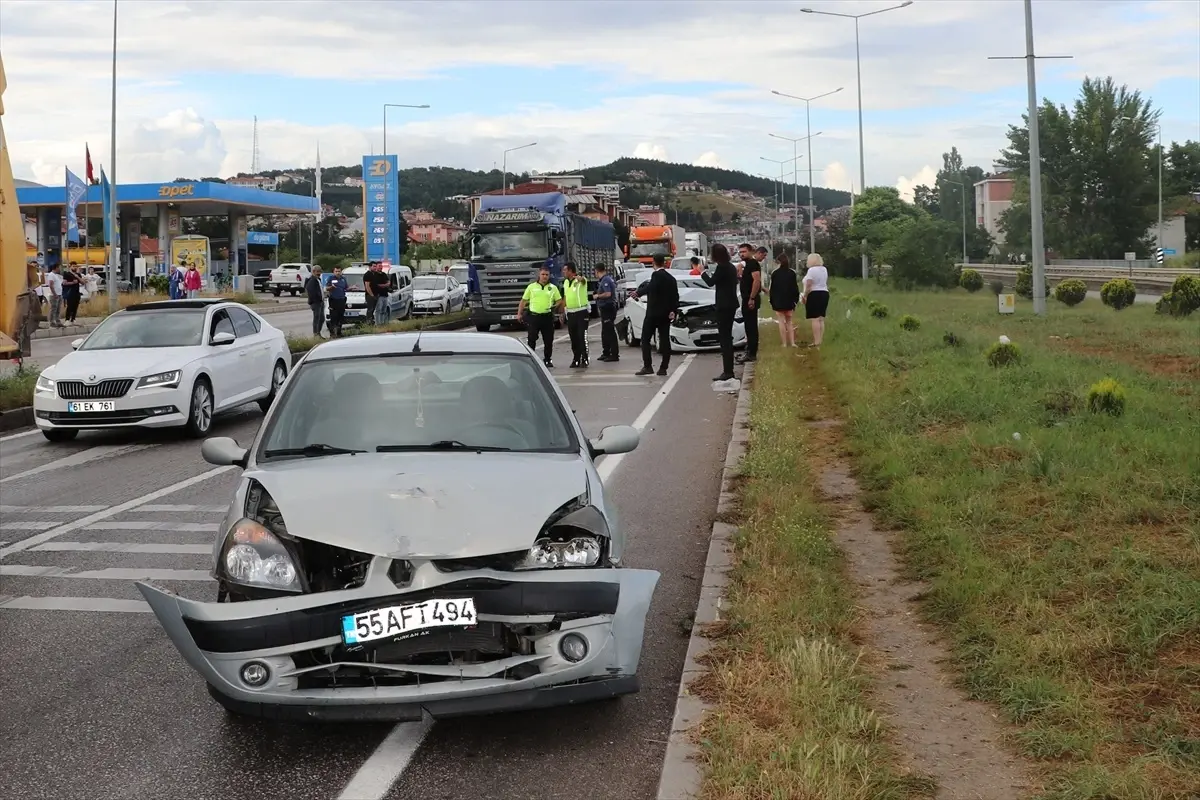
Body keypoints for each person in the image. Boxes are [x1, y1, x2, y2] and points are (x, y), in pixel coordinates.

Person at [636, 253, 679, 377]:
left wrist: (638, 293)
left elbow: (651, 287)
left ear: (654, 262)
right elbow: (675, 296)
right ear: (665, 263)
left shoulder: (656, 275)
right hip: (665, 314)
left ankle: (648, 366)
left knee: (645, 339)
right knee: (665, 340)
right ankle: (663, 368)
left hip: (653, 314)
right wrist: (673, 310)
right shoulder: (671, 278)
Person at [702, 243, 739, 381]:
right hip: (731, 304)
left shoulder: (721, 267)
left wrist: (702, 272)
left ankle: (728, 371)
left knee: (724, 338)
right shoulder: (730, 267)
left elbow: (711, 282)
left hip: (724, 305)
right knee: (727, 336)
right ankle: (729, 369)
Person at [517, 267, 563, 368]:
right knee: (531, 339)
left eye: (547, 275)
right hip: (534, 317)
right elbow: (523, 301)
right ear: (539, 275)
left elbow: (559, 300)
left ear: (549, 275)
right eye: (543, 274)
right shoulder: (531, 287)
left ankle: (547, 359)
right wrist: (519, 314)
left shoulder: (553, 287)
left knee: (548, 340)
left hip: (547, 317)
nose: (545, 277)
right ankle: (531, 359)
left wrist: (555, 306)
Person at [736, 243, 762, 363]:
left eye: (744, 252)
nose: (742, 254)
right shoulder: (747, 265)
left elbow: (756, 281)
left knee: (751, 327)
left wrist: (752, 298)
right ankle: (749, 350)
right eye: (740, 252)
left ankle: (752, 353)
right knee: (748, 326)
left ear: (751, 252)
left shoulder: (753, 264)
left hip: (750, 300)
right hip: (746, 298)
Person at [562, 262, 590, 368]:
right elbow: (566, 297)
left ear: (570, 271)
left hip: (581, 312)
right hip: (571, 313)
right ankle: (576, 358)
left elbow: (583, 280)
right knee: (573, 337)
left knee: (582, 336)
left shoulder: (580, 281)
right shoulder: (565, 282)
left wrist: (580, 278)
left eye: (565, 270)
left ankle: (585, 358)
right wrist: (563, 311)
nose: (563, 272)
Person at [768, 253, 799, 347]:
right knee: (789, 321)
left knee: (781, 321)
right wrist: (795, 300)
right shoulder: (792, 273)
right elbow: (795, 288)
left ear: (779, 262)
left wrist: (772, 300)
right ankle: (792, 342)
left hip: (778, 301)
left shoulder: (775, 273)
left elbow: (772, 289)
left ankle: (784, 343)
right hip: (789, 300)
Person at [801, 252, 831, 348]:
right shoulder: (824, 269)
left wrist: (805, 295)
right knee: (821, 318)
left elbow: (809, 284)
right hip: (824, 293)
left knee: (815, 318)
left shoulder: (811, 270)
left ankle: (816, 341)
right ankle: (820, 340)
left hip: (814, 293)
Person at [594, 263, 619, 362]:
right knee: (605, 331)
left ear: (597, 271)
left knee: (610, 331)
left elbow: (608, 294)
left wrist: (598, 296)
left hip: (608, 308)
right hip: (605, 309)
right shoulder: (603, 280)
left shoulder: (606, 280)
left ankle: (614, 354)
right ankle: (606, 352)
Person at [326, 265, 348, 337]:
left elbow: (346, 288)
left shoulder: (343, 279)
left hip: (341, 299)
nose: (338, 273)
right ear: (333, 272)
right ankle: (332, 333)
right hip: (333, 300)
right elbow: (327, 288)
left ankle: (339, 332)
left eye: (339, 271)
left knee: (340, 317)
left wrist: (352, 288)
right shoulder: (331, 278)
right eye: (336, 271)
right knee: (334, 317)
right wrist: (331, 287)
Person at [304, 266, 325, 336]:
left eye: (320, 271)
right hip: (316, 303)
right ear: (313, 272)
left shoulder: (318, 279)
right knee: (317, 319)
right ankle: (316, 334)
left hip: (320, 302)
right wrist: (316, 299)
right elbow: (310, 291)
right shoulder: (312, 280)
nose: (319, 273)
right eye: (317, 272)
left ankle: (318, 333)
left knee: (321, 318)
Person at [45, 263, 63, 328]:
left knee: (58, 309)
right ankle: (52, 322)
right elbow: (51, 285)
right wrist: (54, 293)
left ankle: (57, 321)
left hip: (59, 294)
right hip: (54, 295)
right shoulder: (51, 275)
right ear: (55, 268)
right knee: (53, 309)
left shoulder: (56, 275)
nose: (59, 269)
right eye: (59, 267)